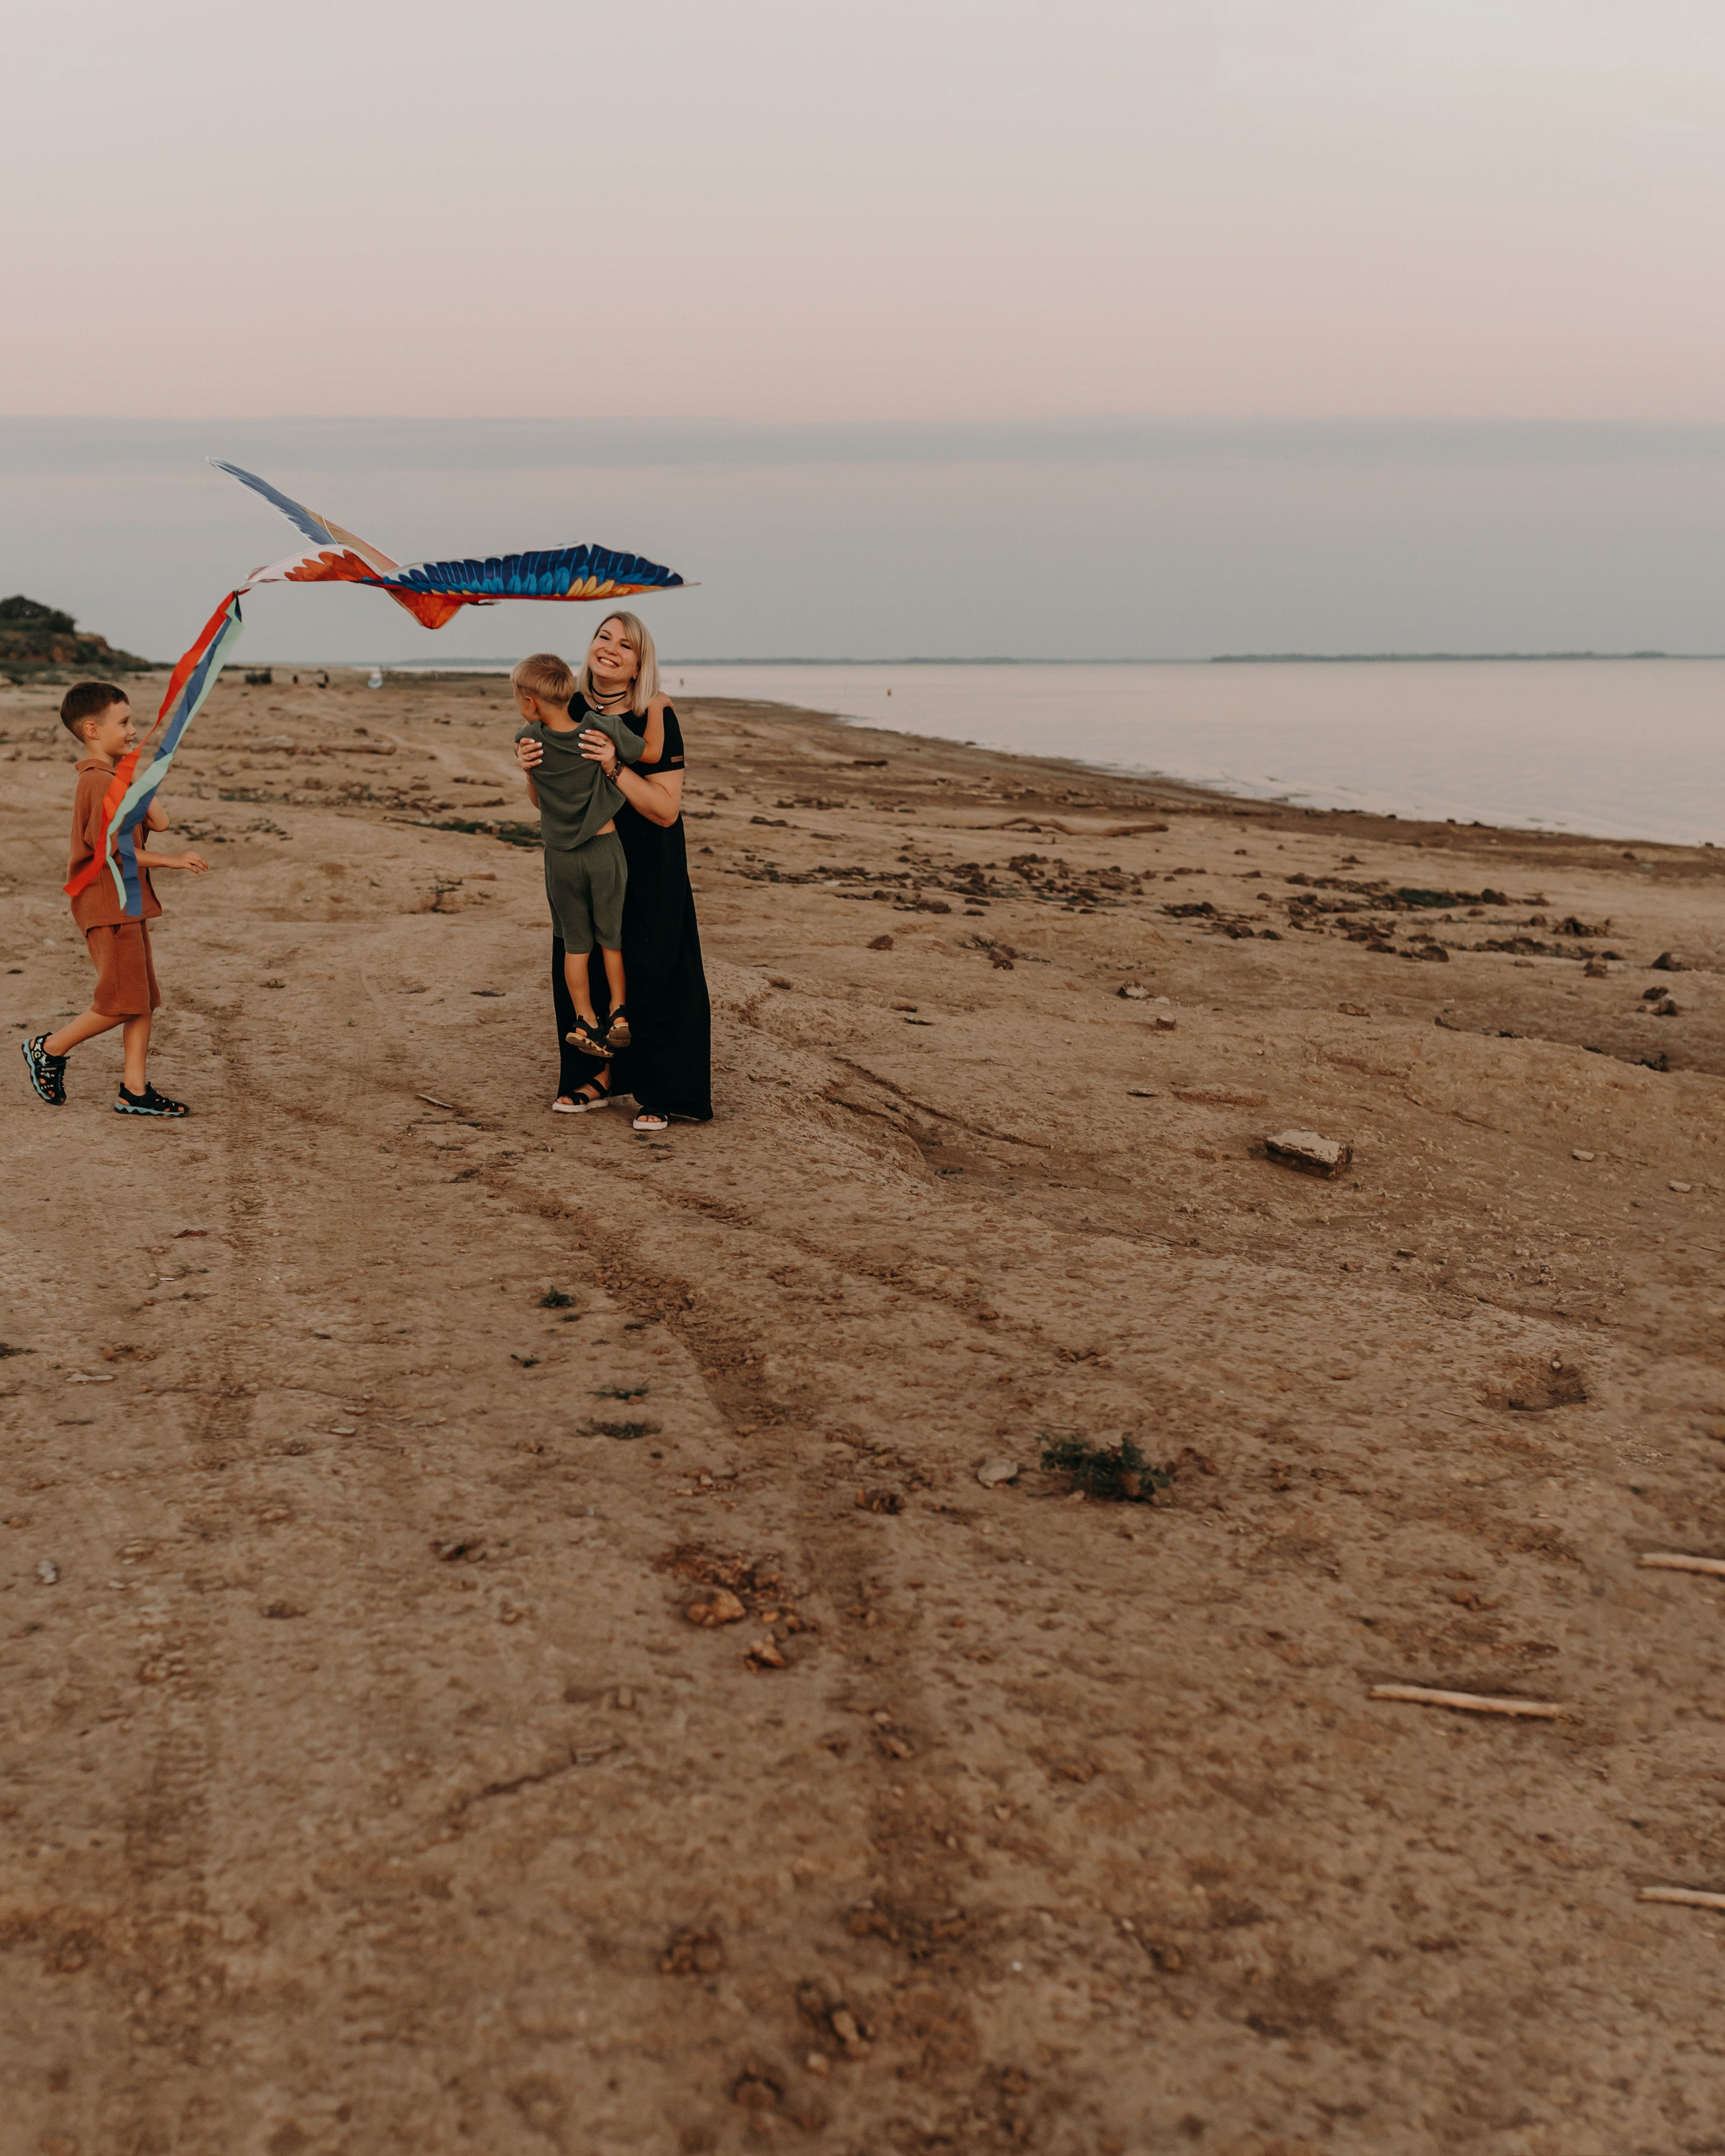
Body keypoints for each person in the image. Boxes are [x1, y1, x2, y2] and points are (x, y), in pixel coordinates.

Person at [514, 612, 712, 1134]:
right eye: (604, 637)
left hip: (649, 859)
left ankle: (660, 1090)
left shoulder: (655, 713)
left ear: (638, 663)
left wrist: (613, 765)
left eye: (625, 645)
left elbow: (667, 810)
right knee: (584, 960)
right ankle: (597, 1077)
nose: (611, 649)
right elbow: (546, 802)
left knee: (651, 968)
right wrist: (531, 767)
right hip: (586, 855)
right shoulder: (568, 708)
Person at [22, 681, 210, 1116]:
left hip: (127, 901)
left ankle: (134, 1090)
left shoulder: (114, 778)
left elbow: (160, 820)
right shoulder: (95, 781)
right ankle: (49, 1049)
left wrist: (134, 771)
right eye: (123, 723)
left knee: (141, 999)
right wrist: (173, 861)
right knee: (119, 1001)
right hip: (107, 902)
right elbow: (108, 848)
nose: (132, 730)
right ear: (91, 729)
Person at [511, 649, 644, 1060]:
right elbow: (638, 750)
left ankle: (584, 1020)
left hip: (561, 859)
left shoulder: (528, 741)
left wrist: (527, 768)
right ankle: (619, 1015)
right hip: (604, 850)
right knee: (612, 940)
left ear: (530, 703)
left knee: (575, 944)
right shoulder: (596, 727)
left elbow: (539, 802)